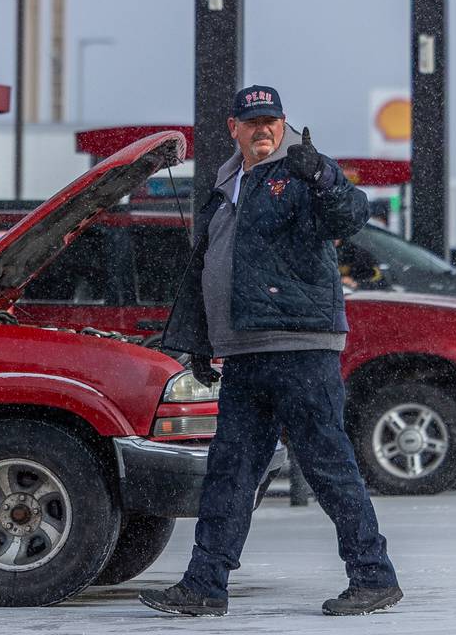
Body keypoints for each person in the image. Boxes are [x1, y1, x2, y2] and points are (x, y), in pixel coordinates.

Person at [139, 85, 402, 617]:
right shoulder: (227, 183)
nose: (263, 130)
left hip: (300, 347)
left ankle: (373, 576)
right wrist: (197, 340)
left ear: (283, 124)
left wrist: (324, 174)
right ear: (232, 127)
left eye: (272, 121)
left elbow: (351, 216)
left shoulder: (303, 172)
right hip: (245, 354)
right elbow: (207, 266)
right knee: (230, 472)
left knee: (328, 466)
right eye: (252, 121)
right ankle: (204, 586)